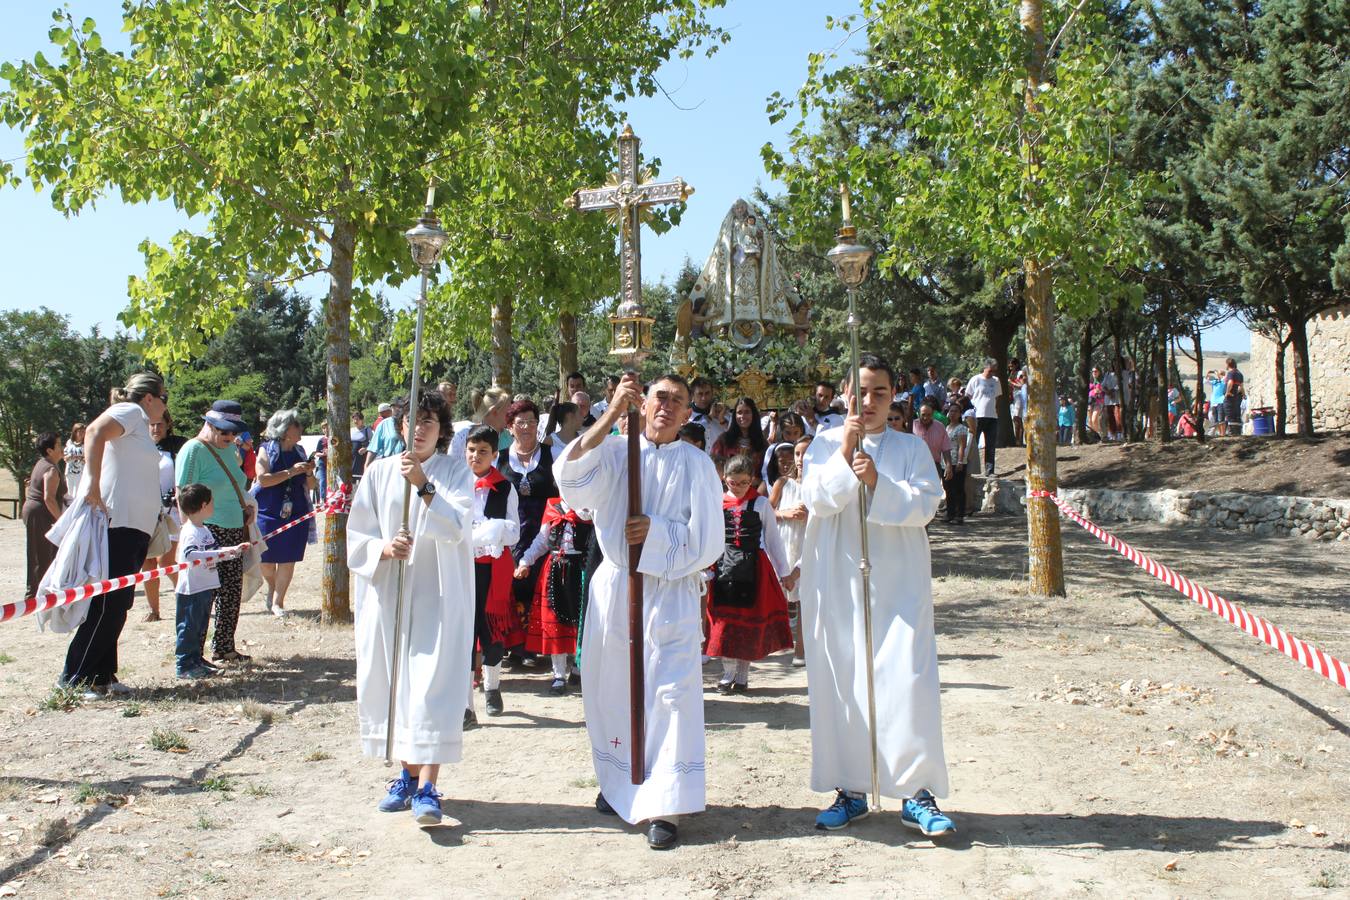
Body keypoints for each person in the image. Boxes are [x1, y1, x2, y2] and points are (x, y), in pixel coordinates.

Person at [556, 372, 724, 851]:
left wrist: (655, 532)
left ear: (687, 413)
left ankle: (666, 804)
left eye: (677, 400)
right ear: (643, 404)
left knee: (670, 694)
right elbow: (571, 480)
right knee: (615, 688)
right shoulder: (614, 451)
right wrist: (611, 412)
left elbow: (709, 541)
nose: (666, 406)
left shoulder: (697, 465)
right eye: (659, 397)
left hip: (669, 591)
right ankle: (619, 781)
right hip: (616, 589)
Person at [798, 354, 954, 836]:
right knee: (844, 681)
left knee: (907, 680)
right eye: (860, 392)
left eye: (879, 393)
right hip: (839, 584)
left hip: (897, 584)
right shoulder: (824, 444)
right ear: (845, 394)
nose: (868, 402)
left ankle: (915, 792)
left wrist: (876, 482)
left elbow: (926, 505)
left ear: (893, 397)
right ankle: (850, 789)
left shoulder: (911, 448)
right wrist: (846, 453)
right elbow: (817, 499)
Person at [348, 390, 475, 827]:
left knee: (430, 687)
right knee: (395, 684)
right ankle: (406, 774)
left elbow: (456, 526)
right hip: (391, 593)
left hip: (438, 595)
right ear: (401, 426)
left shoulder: (455, 472)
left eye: (429, 422)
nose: (420, 429)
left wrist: (423, 486)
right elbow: (357, 535)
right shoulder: (379, 473)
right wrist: (384, 548)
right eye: (413, 421)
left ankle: (428, 787)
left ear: (442, 431)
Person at [61, 373, 167, 697]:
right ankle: (75, 678)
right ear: (148, 398)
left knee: (117, 604)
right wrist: (92, 483)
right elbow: (94, 431)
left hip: (133, 529)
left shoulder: (139, 424)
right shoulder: (131, 411)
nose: (165, 406)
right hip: (118, 525)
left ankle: (102, 675)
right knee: (108, 603)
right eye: (164, 398)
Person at [706, 454, 794, 694]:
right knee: (724, 624)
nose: (739, 487)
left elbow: (773, 540)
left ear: (752, 480)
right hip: (722, 568)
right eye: (733, 482)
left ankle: (742, 676)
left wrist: (784, 572)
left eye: (744, 482)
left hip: (754, 569)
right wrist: (704, 567)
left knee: (747, 625)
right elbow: (709, 537)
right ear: (724, 479)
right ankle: (728, 674)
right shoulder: (716, 502)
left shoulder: (761, 504)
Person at [176, 400, 255, 664]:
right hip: (207, 532)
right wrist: (190, 531)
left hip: (234, 528)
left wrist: (245, 507)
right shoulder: (194, 449)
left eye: (234, 432)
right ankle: (194, 656)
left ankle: (224, 648)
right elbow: (183, 492)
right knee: (204, 595)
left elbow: (236, 484)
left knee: (231, 593)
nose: (230, 436)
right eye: (224, 430)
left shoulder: (230, 450)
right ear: (209, 425)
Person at [464, 426, 520, 721]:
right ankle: (465, 704)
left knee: (491, 630)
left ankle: (492, 687)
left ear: (495, 455)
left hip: (493, 569)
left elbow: (514, 532)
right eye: (471, 450)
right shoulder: (457, 484)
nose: (476, 456)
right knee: (463, 632)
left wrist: (492, 530)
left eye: (483, 451)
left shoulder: (505, 487)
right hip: (462, 567)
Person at [498, 400, 559, 670]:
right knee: (511, 587)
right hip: (510, 531)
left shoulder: (552, 455)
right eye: (520, 422)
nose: (526, 427)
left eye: (531, 421)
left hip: (544, 530)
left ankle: (535, 646)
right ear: (510, 427)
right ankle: (513, 645)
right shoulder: (500, 458)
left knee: (538, 586)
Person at [519, 496, 593, 693]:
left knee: (582, 621)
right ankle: (558, 675)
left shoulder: (590, 508)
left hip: (581, 569)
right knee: (554, 624)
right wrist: (525, 561)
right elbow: (541, 541)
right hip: (554, 571)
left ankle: (579, 667)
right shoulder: (553, 508)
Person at [174, 484, 245, 680]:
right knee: (188, 628)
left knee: (199, 627)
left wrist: (232, 551)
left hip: (205, 586)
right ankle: (184, 665)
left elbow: (213, 552)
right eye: (212, 501)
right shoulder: (190, 531)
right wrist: (218, 553)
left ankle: (196, 660)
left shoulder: (204, 529)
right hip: (191, 589)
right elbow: (190, 555)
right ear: (204, 505)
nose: (214, 504)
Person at [254, 409, 316, 618]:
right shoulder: (265, 450)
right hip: (268, 512)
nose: (301, 428)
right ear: (286, 429)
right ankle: (272, 586)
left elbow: (312, 485)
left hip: (296, 512)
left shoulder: (300, 451)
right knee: (265, 560)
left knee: (288, 559)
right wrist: (291, 472)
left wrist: (308, 471)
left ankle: (278, 602)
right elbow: (263, 479)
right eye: (297, 425)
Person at [770, 437, 810, 666]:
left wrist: (809, 514)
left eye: (806, 453)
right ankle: (773, 643)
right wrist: (786, 513)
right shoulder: (783, 483)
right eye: (797, 453)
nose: (801, 459)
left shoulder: (819, 485)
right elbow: (767, 511)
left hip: (807, 542)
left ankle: (800, 650)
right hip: (785, 542)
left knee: (805, 597)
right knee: (780, 595)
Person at [140, 413, 183, 622]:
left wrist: (180, 493)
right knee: (147, 562)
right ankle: (153, 610)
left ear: (168, 425)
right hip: (145, 511)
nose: (155, 428)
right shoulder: (140, 445)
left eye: (159, 424)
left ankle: (185, 597)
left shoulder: (179, 446)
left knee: (166, 561)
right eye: (152, 424)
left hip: (172, 512)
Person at [23, 432, 66, 599]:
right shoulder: (50, 469)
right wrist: (62, 522)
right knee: (41, 555)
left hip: (39, 512)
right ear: (49, 450)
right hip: (40, 514)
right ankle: (34, 596)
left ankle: (45, 592)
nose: (62, 448)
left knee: (48, 553)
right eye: (59, 445)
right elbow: (49, 498)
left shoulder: (46, 463)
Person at [710, 396, 769, 479]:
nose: (743, 416)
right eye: (739, 412)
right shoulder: (724, 440)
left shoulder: (762, 443)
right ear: (735, 415)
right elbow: (714, 465)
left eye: (747, 412)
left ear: (753, 415)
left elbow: (767, 473)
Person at [449, 386, 510, 462]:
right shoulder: (464, 434)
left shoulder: (508, 438)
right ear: (494, 411)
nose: (512, 415)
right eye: (508, 411)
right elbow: (450, 464)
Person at [912, 400, 954, 509]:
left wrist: (948, 465)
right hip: (915, 466)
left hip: (934, 466)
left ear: (933, 414)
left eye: (928, 415)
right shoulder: (912, 426)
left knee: (932, 493)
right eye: (923, 415)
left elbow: (946, 448)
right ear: (919, 413)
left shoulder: (940, 427)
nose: (926, 417)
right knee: (917, 493)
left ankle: (930, 514)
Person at [964, 360, 1001, 476]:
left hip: (992, 417)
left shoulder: (996, 381)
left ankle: (989, 471)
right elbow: (968, 395)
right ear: (985, 368)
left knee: (990, 445)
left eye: (994, 371)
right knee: (972, 444)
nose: (992, 373)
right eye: (990, 370)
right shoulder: (975, 379)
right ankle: (968, 469)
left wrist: (994, 409)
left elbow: (997, 397)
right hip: (977, 416)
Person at [944, 406, 972, 525]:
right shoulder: (947, 427)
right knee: (948, 488)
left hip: (957, 461)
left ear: (960, 414)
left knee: (958, 489)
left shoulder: (961, 428)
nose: (953, 413)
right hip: (946, 462)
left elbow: (962, 446)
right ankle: (950, 513)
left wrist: (960, 461)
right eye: (951, 411)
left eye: (955, 411)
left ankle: (959, 515)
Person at [688, 377, 726, 450]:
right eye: (700, 394)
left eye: (707, 393)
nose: (704, 398)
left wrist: (722, 420)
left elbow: (735, 435)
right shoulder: (686, 417)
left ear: (712, 393)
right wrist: (709, 418)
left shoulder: (724, 413)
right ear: (692, 396)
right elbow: (690, 436)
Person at [367, 398, 407, 465]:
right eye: (393, 407)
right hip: (388, 462)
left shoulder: (410, 423)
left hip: (406, 462)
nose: (396, 409)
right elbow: (373, 448)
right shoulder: (384, 424)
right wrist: (367, 465)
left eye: (399, 407)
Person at [63, 423, 86, 505]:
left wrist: (79, 457)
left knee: (78, 493)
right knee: (70, 493)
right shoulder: (69, 442)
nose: (82, 434)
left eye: (83, 432)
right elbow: (65, 457)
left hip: (81, 472)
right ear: (75, 432)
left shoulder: (86, 444)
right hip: (70, 471)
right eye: (80, 431)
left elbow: (87, 458)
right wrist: (69, 457)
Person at [1222, 357, 1244, 436]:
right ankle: (1238, 432)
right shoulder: (1239, 374)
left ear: (1228, 364)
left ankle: (1232, 432)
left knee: (1229, 414)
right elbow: (1241, 386)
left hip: (1230, 398)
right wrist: (1244, 394)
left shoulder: (1231, 373)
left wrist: (1227, 392)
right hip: (1237, 398)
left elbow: (1230, 382)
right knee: (1236, 414)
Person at [350, 410, 373, 482]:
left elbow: (373, 443)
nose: (355, 421)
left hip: (361, 459)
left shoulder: (367, 430)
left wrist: (366, 449)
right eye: (354, 419)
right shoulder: (351, 430)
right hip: (351, 459)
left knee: (361, 478)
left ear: (362, 420)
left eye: (357, 419)